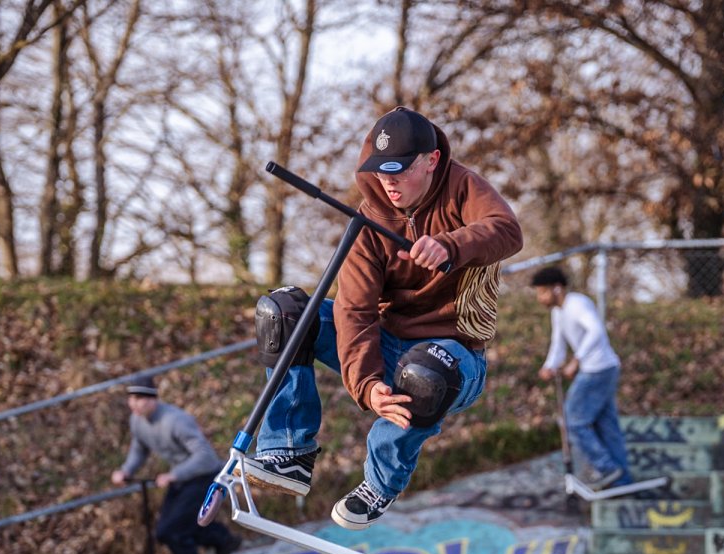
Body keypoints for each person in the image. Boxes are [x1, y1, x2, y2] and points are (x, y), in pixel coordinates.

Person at [239, 106, 523, 530]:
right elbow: (354, 310)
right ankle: (290, 451)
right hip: (389, 344)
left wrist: (451, 245)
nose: (388, 181)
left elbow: (507, 230)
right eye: (380, 171)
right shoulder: (369, 219)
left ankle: (380, 483)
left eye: (399, 170)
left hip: (455, 359)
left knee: (424, 371)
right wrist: (367, 384)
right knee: (284, 312)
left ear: (431, 161)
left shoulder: (463, 188)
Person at [112, 376, 240, 554]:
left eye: (140, 398)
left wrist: (175, 474)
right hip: (181, 479)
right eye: (131, 399)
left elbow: (206, 457)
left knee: (171, 531)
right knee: (166, 532)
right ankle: (221, 538)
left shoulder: (175, 421)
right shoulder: (137, 421)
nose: (134, 404)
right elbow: (139, 448)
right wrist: (126, 470)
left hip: (204, 476)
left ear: (153, 399)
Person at [531, 265, 631, 489]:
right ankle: (622, 479)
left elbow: (596, 330)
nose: (540, 298)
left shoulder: (577, 304)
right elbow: (558, 343)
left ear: (557, 289)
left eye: (542, 292)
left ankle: (607, 468)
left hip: (598, 369)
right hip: (601, 368)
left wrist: (576, 360)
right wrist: (550, 366)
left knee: (572, 421)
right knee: (607, 425)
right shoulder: (559, 312)